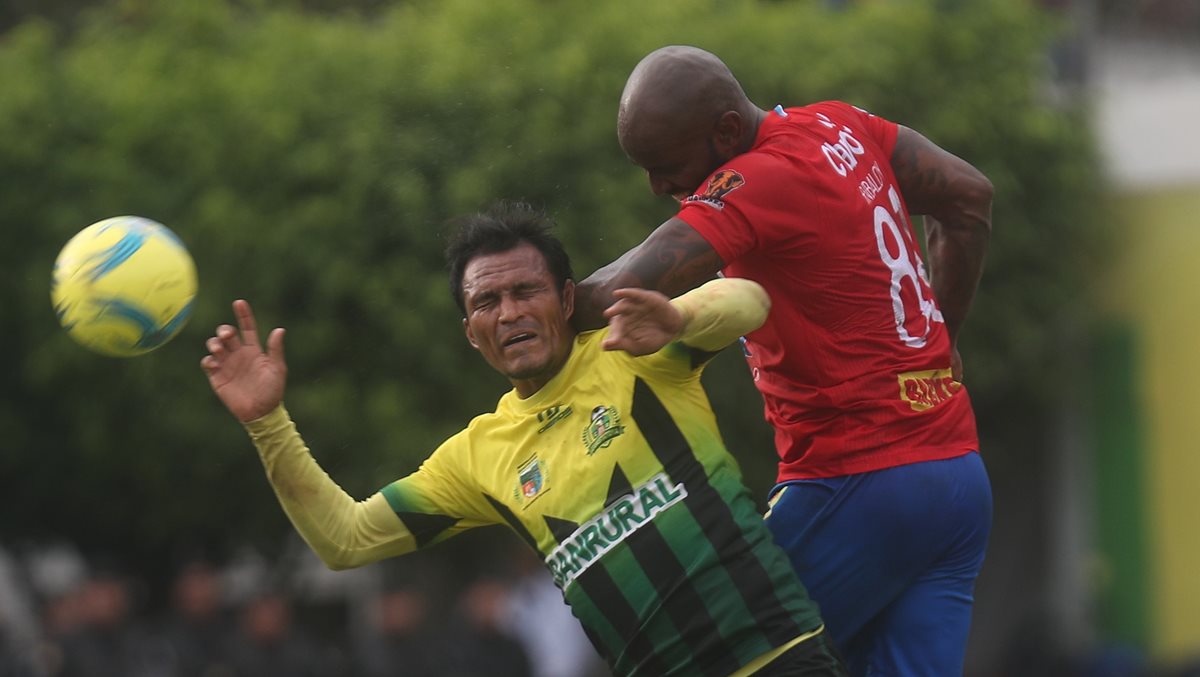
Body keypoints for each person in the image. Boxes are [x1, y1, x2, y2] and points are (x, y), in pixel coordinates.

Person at [200, 201, 847, 677]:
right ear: (469, 331)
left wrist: (677, 314)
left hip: (779, 655)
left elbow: (751, 300)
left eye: (525, 290)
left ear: (566, 299)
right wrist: (267, 421)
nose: (508, 313)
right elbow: (345, 538)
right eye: (486, 302)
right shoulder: (476, 456)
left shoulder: (633, 346)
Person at [573, 46, 994, 677]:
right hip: (955, 479)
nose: (658, 187)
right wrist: (941, 333)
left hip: (857, 481)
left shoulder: (758, 179)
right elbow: (968, 196)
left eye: (665, 166)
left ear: (726, 131)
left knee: (705, 660)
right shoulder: (840, 123)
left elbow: (621, 288)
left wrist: (520, 302)